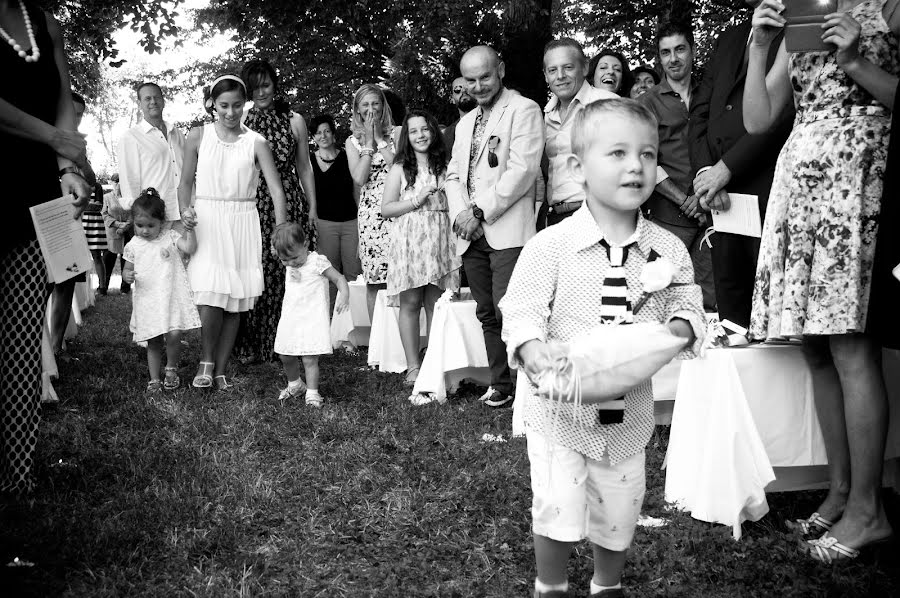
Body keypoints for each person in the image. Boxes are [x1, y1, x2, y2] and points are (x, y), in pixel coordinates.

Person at [500, 99, 704, 598]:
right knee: (556, 506)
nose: (636, 165)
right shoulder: (549, 245)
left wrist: (680, 325)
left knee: (619, 510)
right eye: (618, 153)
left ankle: (606, 584)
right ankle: (550, 584)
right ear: (577, 167)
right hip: (560, 417)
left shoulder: (668, 248)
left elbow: (687, 303)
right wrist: (530, 348)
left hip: (629, 419)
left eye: (648, 154)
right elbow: (522, 308)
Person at [745, 0, 899, 561]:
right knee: (816, 348)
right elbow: (759, 121)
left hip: (858, 177)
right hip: (801, 180)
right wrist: (760, 44)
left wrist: (856, 60)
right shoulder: (801, 16)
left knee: (852, 344)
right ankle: (839, 492)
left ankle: (870, 510)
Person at [0, 0, 92, 496]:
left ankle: (15, 474)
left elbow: (60, 95)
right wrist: (53, 136)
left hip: (34, 193)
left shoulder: (44, 22)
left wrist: (65, 164)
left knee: (19, 337)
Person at [445, 45, 544, 409]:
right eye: (469, 80)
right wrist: (461, 215)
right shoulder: (466, 121)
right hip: (470, 234)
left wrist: (479, 212)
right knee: (486, 311)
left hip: (506, 229)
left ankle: (531, 386)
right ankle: (501, 383)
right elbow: (453, 173)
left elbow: (522, 172)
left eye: (484, 76)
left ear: (500, 69)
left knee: (510, 310)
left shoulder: (524, 110)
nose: (477, 85)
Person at [689, 0, 793, 343]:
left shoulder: (801, 31)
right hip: (721, 199)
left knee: (771, 304)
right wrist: (707, 175)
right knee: (732, 306)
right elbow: (700, 113)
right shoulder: (730, 37)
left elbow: (780, 118)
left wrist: (727, 168)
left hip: (768, 182)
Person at [178, 74, 288, 390]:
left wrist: (279, 231)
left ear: (244, 105)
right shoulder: (197, 136)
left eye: (237, 105)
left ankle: (220, 370)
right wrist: (186, 209)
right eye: (224, 105)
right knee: (209, 294)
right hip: (207, 219)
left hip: (243, 219)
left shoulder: (257, 142)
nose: (230, 112)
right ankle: (206, 360)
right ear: (213, 104)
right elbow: (185, 183)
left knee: (233, 299)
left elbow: (276, 190)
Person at [234, 59, 318, 364]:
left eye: (266, 85)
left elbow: (304, 167)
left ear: (276, 84)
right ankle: (251, 345)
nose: (261, 92)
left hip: (289, 201)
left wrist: (312, 206)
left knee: (287, 270)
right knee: (255, 271)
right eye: (254, 87)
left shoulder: (294, 119)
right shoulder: (240, 120)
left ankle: (288, 344)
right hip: (251, 204)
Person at [639, 20, 716, 310]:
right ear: (659, 58)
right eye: (666, 52)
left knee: (709, 297)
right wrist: (685, 200)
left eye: (680, 49)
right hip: (668, 216)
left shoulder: (710, 93)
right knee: (656, 295)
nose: (674, 59)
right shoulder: (648, 102)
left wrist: (702, 197)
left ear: (693, 51)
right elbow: (647, 158)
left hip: (712, 211)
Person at [381, 109, 461, 387]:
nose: (420, 135)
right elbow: (386, 208)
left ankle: (437, 362)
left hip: (441, 239)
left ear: (434, 131)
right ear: (407, 136)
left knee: (436, 304)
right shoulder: (400, 168)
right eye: (413, 131)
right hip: (411, 240)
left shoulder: (448, 164)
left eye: (425, 129)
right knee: (411, 303)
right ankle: (413, 366)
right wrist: (415, 200)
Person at [121, 188, 201, 392]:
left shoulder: (170, 237)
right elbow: (127, 269)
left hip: (171, 295)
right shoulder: (133, 245)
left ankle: (172, 369)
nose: (145, 230)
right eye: (139, 225)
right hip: (149, 299)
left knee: (174, 334)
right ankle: (154, 378)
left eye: (150, 225)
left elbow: (189, 248)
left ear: (162, 222)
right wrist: (127, 276)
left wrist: (189, 230)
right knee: (154, 340)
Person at [542, 38, 617, 228]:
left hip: (597, 215)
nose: (560, 76)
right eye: (552, 70)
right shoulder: (545, 115)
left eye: (568, 67)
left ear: (584, 68)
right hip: (556, 217)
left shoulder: (608, 104)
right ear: (545, 76)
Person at [272, 222, 349, 407]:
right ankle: (295, 384)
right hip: (291, 316)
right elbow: (281, 251)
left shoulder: (317, 261)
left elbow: (339, 278)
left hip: (312, 318)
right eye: (285, 261)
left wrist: (344, 294)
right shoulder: (289, 257)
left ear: (306, 244)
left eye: (294, 258)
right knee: (285, 354)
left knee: (309, 357)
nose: (290, 263)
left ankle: (313, 393)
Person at [47, 90, 99, 354]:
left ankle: (56, 346)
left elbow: (90, 178)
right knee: (45, 284)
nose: (76, 119)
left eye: (79, 115)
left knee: (66, 284)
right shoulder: (45, 136)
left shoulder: (79, 143)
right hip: (46, 214)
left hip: (70, 218)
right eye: (72, 113)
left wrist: (80, 160)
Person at [346, 84, 397, 321]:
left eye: (375, 103)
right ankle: (378, 348)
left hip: (398, 210)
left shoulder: (398, 133)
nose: (370, 109)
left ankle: (404, 341)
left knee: (401, 278)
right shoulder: (352, 142)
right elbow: (359, 177)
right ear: (357, 110)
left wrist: (380, 139)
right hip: (370, 216)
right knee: (375, 281)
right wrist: (368, 143)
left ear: (383, 105)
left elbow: (402, 171)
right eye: (365, 105)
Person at [116, 81, 185, 225]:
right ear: (139, 103)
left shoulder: (177, 133)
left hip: (186, 212)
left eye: (157, 97)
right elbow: (129, 182)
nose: (153, 101)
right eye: (147, 98)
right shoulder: (131, 137)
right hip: (154, 217)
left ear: (163, 101)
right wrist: (140, 218)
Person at [310, 114, 361, 306]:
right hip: (324, 223)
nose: (323, 136)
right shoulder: (308, 161)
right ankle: (331, 324)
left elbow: (357, 188)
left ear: (333, 133)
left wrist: (360, 218)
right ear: (313, 137)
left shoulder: (348, 157)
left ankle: (355, 324)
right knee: (329, 274)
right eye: (318, 133)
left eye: (326, 131)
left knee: (353, 274)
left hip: (350, 222)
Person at [100, 173, 131, 294]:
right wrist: (117, 224)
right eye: (116, 181)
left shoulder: (128, 198)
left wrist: (125, 226)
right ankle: (103, 288)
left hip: (127, 232)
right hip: (112, 232)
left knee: (126, 260)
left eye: (120, 181)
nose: (118, 184)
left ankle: (125, 288)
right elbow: (104, 214)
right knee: (108, 260)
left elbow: (133, 213)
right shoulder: (106, 197)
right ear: (112, 183)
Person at [442, 75, 477, 156]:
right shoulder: (447, 135)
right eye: (457, 90)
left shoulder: (496, 121)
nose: (463, 92)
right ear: (452, 99)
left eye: (467, 88)